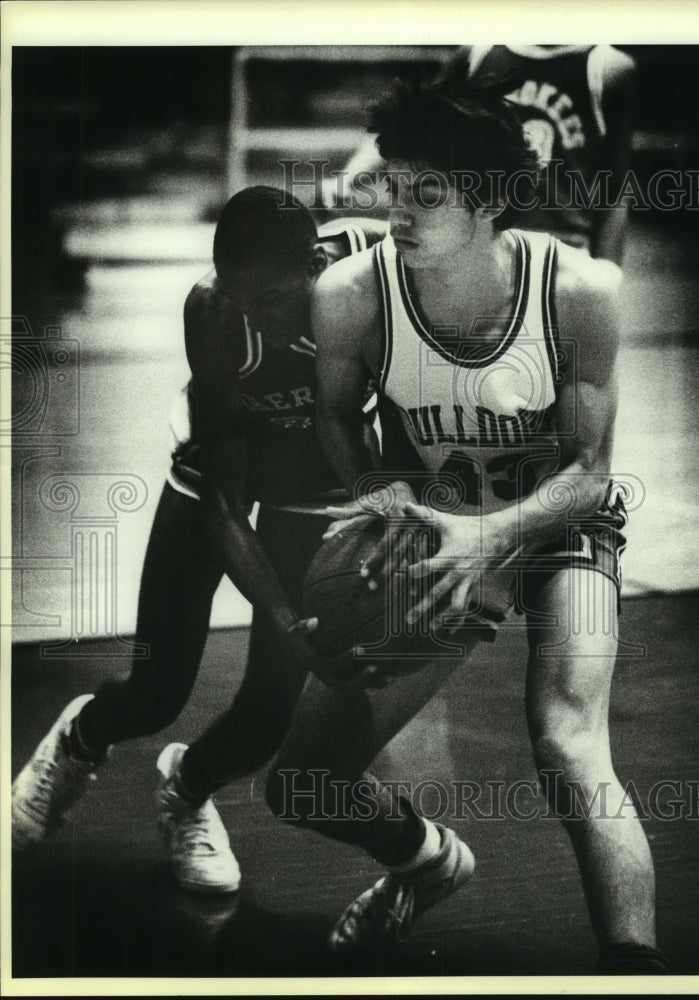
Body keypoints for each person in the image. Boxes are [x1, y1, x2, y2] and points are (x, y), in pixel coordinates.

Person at [264, 78, 666, 974]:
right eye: (391, 186)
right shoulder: (351, 293)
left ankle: (638, 971)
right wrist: (382, 499)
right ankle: (426, 863)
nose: (395, 212)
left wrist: (492, 536)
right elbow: (336, 418)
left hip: (558, 524)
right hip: (437, 521)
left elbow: (588, 473)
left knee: (568, 742)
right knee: (298, 784)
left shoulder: (581, 289)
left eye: (424, 193)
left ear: (485, 201)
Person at [11, 186, 387, 895]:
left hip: (316, 488)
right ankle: (78, 740)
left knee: (268, 713)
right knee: (157, 690)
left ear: (316, 262)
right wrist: (284, 618)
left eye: (273, 300)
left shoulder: (380, 269)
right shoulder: (214, 310)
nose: (263, 323)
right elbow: (222, 497)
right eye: (248, 306)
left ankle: (185, 790)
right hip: (219, 481)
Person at [326, 44, 635, 266]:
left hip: (562, 245)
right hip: (485, 241)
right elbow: (409, 123)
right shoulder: (479, 55)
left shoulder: (607, 68)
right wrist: (349, 178)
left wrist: (608, 271)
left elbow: (616, 189)